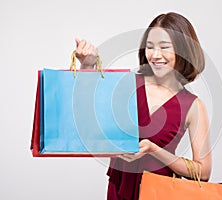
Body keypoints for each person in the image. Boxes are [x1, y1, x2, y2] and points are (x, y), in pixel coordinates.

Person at [75, 12, 212, 200]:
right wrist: (87, 67)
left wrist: (154, 149)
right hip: (119, 190)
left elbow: (203, 172)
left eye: (164, 47)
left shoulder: (193, 105)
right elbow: (87, 119)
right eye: (150, 47)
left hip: (160, 193)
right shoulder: (126, 84)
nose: (155, 55)